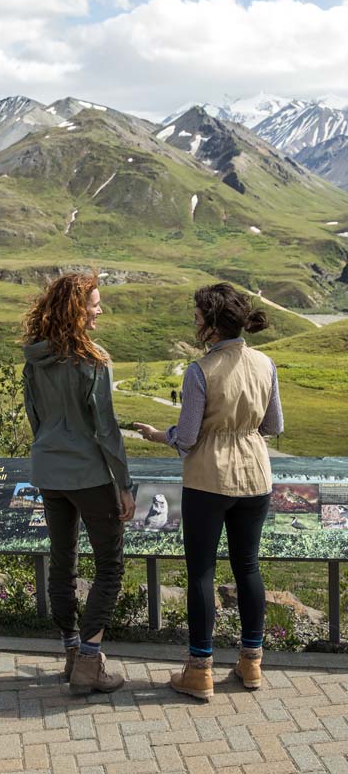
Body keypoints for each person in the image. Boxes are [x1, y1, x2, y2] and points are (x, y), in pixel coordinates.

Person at [134, 282, 283, 701]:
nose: (195, 320)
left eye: (199, 315)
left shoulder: (200, 370)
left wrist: (156, 435)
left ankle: (200, 670)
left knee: (202, 571)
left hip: (208, 478)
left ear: (213, 323)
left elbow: (186, 437)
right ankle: (251, 663)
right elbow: (273, 426)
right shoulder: (265, 364)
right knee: (248, 567)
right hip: (256, 476)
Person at [22, 272, 136, 695]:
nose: (99, 310)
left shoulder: (34, 358)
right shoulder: (93, 360)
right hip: (88, 475)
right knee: (109, 566)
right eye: (94, 304)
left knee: (62, 562)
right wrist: (123, 484)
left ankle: (71, 653)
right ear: (76, 309)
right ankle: (90, 662)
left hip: (48, 471)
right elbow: (106, 430)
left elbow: (34, 418)